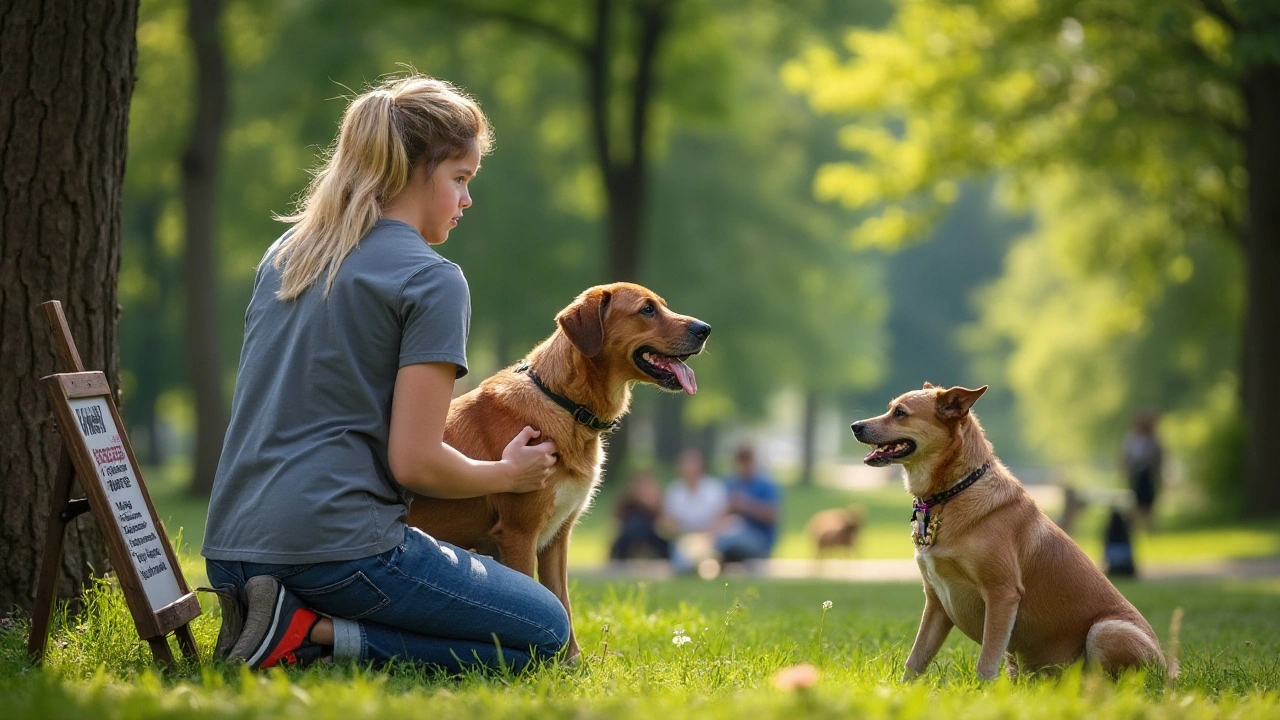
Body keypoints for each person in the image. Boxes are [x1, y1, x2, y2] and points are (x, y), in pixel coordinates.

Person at [201, 74, 570, 672]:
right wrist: (505, 471)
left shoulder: (287, 255)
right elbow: (416, 463)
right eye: (461, 179)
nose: (467, 200)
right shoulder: (431, 279)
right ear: (418, 171)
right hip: (337, 553)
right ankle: (308, 633)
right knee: (544, 628)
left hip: (231, 553)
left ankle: (272, 616)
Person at [661, 448, 728, 573]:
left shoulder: (714, 488)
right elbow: (669, 521)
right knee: (681, 563)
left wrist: (707, 535)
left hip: (710, 536)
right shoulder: (674, 491)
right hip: (684, 538)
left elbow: (720, 518)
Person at [714, 444, 780, 564]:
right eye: (740, 461)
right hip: (730, 533)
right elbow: (719, 515)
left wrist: (745, 505)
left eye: (747, 460)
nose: (744, 465)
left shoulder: (764, 485)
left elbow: (772, 516)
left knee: (731, 538)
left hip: (759, 539)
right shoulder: (730, 484)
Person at [608, 470, 670, 561]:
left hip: (650, 531)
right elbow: (617, 518)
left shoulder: (656, 498)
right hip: (630, 532)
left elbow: (661, 519)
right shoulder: (628, 500)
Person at [1121, 409, 1164, 532]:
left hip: (1148, 471)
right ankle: (1133, 529)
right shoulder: (1131, 437)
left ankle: (1150, 529)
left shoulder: (1153, 438)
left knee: (1149, 502)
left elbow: (1158, 455)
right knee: (1135, 500)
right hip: (1136, 471)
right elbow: (1126, 455)